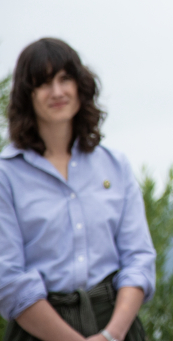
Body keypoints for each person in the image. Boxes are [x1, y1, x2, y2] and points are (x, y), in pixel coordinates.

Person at [0, 38, 155, 341]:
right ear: (26, 95)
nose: (57, 92)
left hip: (117, 326)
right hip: (39, 330)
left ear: (80, 86)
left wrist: (111, 335)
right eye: (43, 83)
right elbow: (9, 279)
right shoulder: (6, 174)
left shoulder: (115, 166)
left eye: (64, 79)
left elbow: (138, 259)